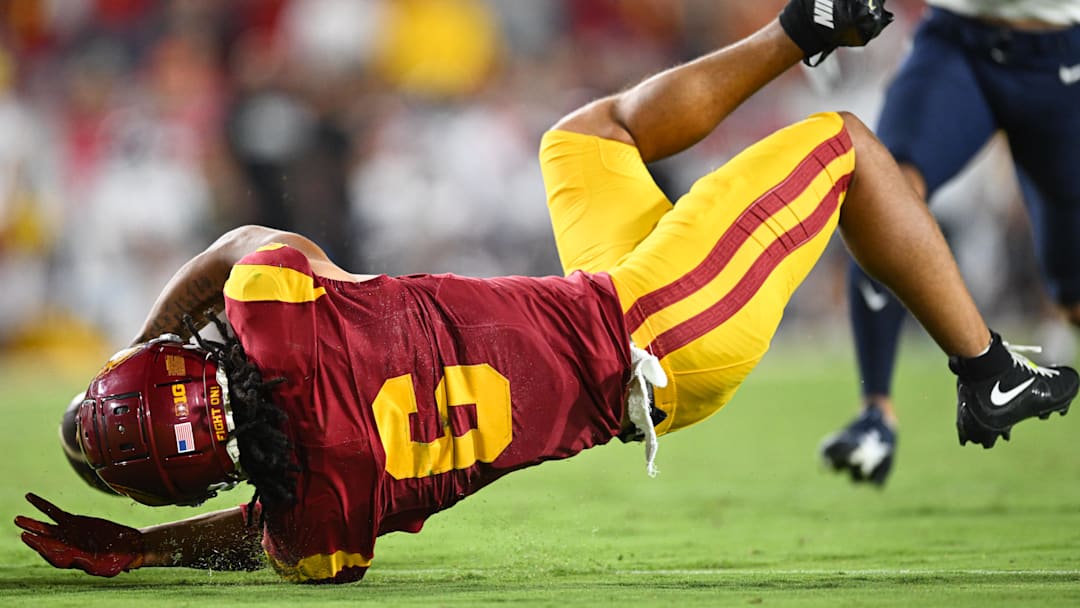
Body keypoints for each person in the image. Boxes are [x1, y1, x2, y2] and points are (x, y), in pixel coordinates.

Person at [15, 0, 1078, 584]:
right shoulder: (271, 304)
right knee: (845, 143)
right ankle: (985, 370)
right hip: (659, 334)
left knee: (582, 137)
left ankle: (804, 29)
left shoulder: (316, 529)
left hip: (609, 297)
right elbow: (233, 246)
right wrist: (141, 345)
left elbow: (258, 534)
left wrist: (144, 548)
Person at [821, 0, 1080, 486]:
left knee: (1074, 299)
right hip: (958, 43)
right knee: (884, 192)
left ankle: (990, 377)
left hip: (1062, 59)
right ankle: (877, 413)